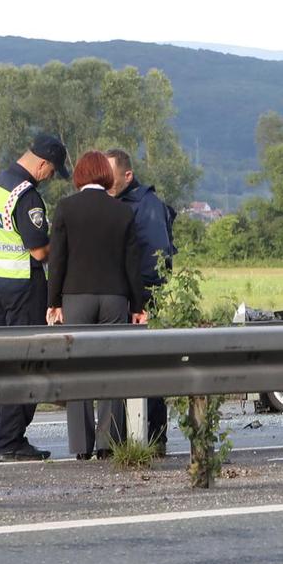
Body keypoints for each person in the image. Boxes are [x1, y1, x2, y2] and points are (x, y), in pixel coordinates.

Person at [46, 151, 148, 460]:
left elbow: (57, 260)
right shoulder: (122, 212)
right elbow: (133, 263)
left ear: (79, 176)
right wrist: (137, 305)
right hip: (115, 298)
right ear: (105, 174)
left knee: (78, 369)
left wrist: (53, 302)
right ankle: (107, 443)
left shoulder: (65, 208)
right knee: (110, 368)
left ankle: (80, 446)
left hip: (76, 296)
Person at [0, 133, 69, 461]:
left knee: (3, 363)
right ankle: (9, 441)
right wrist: (63, 243)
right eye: (52, 171)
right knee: (27, 362)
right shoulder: (26, 195)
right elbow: (39, 248)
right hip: (23, 287)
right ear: (43, 163)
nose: (50, 178)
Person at [105, 148, 177, 454]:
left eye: (110, 177)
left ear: (128, 175)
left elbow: (155, 257)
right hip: (134, 294)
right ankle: (141, 436)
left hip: (144, 296)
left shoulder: (144, 205)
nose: (106, 184)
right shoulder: (131, 201)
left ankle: (154, 438)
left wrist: (142, 300)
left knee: (147, 367)